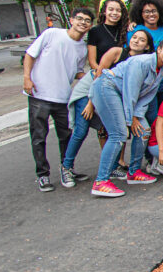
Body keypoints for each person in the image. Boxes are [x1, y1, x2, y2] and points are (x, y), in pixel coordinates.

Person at [61, 27, 154, 187]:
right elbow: (99, 75)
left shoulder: (143, 63)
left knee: (114, 131)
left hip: (112, 96)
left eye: (141, 40)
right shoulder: (117, 52)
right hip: (90, 92)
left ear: (147, 46)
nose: (136, 41)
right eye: (134, 37)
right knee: (81, 130)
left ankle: (115, 168)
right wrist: (91, 103)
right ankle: (66, 167)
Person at [90, 39, 163, 196]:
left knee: (144, 130)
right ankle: (101, 181)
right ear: (158, 49)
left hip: (124, 97)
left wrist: (138, 116)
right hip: (107, 88)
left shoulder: (162, 71)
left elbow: (146, 97)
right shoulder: (141, 62)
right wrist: (131, 119)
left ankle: (134, 171)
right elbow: (130, 91)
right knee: (119, 134)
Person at [23, 8, 92, 192]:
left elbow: (77, 70)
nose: (82, 22)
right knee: (39, 136)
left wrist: (90, 77)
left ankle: (66, 168)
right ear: (71, 20)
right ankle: (43, 175)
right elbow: (30, 54)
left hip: (63, 97)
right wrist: (27, 78)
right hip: (39, 95)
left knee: (67, 136)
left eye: (87, 20)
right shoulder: (51, 34)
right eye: (79, 18)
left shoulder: (83, 48)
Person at [87, 0, 129, 73]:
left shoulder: (126, 30)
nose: (115, 13)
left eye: (118, 10)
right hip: (101, 74)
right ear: (104, 12)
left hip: (123, 75)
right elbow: (92, 62)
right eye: (111, 9)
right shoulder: (95, 31)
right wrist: (104, 74)